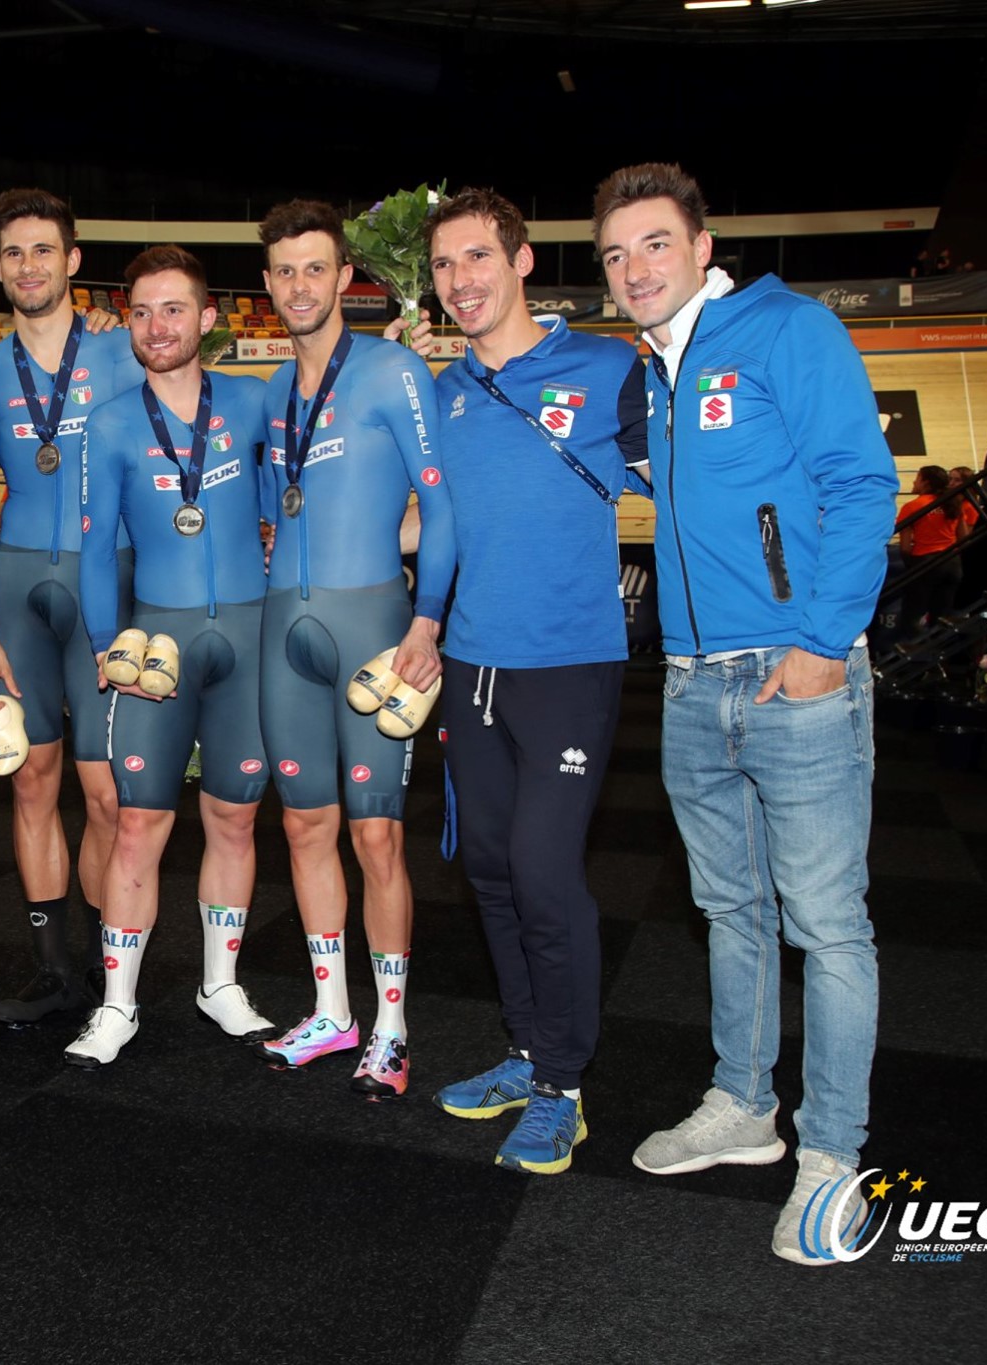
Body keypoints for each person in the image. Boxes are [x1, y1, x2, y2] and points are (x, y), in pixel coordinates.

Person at [593, 162, 896, 1265]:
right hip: (687, 680)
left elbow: (864, 486)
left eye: (654, 244)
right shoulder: (656, 370)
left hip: (794, 676)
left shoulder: (784, 330)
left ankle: (831, 1157)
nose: (634, 268)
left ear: (701, 246)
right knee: (729, 913)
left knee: (827, 924)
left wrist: (821, 647)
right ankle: (741, 1106)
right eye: (616, 252)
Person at [390, 188, 648, 1171]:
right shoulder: (442, 391)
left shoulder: (606, 366)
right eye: (444, 267)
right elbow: (426, 527)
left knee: (545, 876)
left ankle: (562, 1086)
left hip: (568, 666)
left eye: (475, 259)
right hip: (469, 665)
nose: (460, 281)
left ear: (520, 260)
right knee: (490, 872)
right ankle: (524, 1051)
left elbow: (677, 477)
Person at [250, 199, 458, 1098]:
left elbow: (442, 506)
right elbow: (271, 506)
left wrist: (428, 620)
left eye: (315, 269)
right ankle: (333, 1011)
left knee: (376, 836)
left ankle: (394, 1027)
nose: (300, 286)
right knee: (304, 825)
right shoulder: (267, 393)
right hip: (280, 633)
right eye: (284, 271)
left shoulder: (392, 369)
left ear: (346, 278)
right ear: (268, 286)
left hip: (378, 627)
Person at [64, 245, 280, 1067]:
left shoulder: (254, 402)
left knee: (233, 816)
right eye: (144, 312)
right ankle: (118, 1003)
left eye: (175, 309)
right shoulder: (111, 423)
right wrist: (96, 644)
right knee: (138, 822)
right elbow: (92, 551)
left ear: (209, 318)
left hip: (250, 638)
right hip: (156, 640)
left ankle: (219, 983)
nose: (159, 327)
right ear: (129, 323)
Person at [0, 188, 143, 1027]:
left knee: (106, 793)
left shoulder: (125, 351)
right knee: (33, 779)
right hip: (17, 587)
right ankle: (53, 969)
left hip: (109, 580)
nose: (26, 266)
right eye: (11, 253)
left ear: (72, 261)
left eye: (41, 250)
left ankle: (114, 974)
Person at [897, 465, 964, 634]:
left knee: (911, 615)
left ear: (925, 483)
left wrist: (911, 565)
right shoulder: (954, 503)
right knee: (942, 616)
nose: (914, 481)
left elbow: (904, 547)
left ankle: (910, 657)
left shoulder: (912, 506)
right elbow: (964, 537)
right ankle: (938, 655)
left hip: (925, 563)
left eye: (917, 478)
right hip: (952, 563)